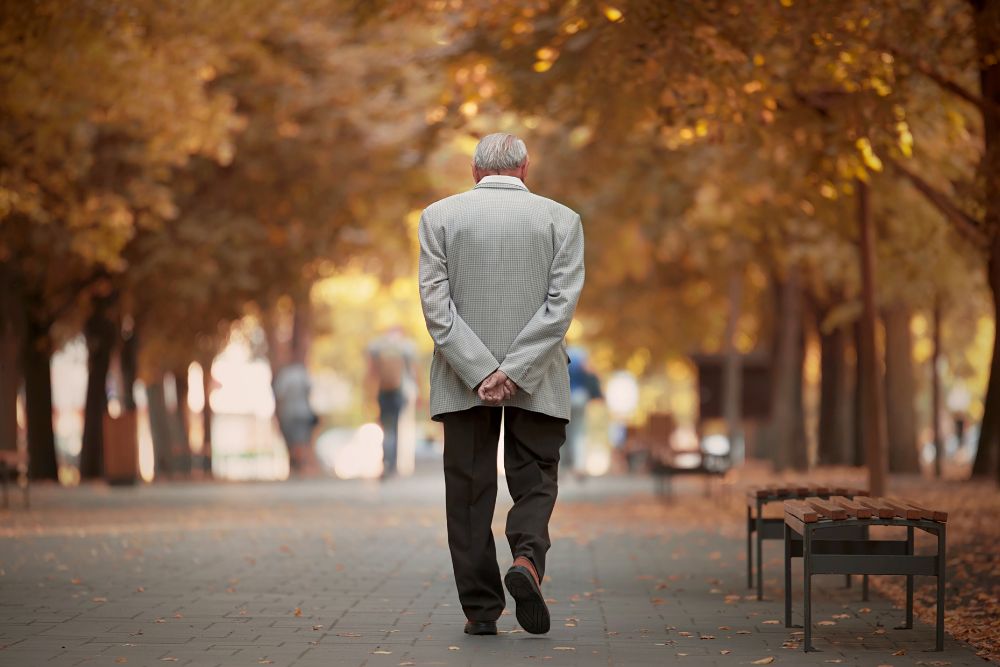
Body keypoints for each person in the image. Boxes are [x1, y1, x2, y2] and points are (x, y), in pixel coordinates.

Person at [418, 133, 585, 637]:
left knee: (468, 491)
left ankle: (481, 610)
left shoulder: (439, 217)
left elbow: (435, 308)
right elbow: (561, 308)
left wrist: (480, 371)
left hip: (459, 378)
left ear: (474, 171)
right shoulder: (562, 220)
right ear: (525, 168)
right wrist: (514, 370)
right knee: (535, 476)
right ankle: (528, 561)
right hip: (539, 376)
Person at [366, 327, 416, 478]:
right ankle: (391, 464)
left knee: (386, 428)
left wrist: (369, 395)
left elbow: (371, 372)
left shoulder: (379, 347)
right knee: (394, 429)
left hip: (383, 391)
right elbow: (413, 372)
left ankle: (386, 462)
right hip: (399, 392)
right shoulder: (405, 348)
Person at [272, 362, 319, 475]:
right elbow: (310, 392)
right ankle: (300, 466)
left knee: (296, 442)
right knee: (300, 442)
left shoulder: (285, 374)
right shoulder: (302, 373)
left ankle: (299, 466)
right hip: (301, 413)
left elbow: (279, 396)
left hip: (290, 414)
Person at [564, 346, 602, 479]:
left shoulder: (562, 352)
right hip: (580, 397)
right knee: (579, 433)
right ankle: (579, 467)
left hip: (564, 397)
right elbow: (590, 373)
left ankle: (561, 468)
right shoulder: (581, 354)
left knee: (564, 433)